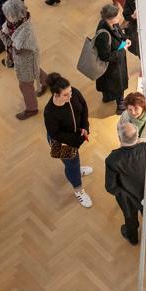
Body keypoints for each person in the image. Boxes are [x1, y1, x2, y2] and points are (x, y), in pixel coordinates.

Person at [105, 121, 146, 245]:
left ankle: (133, 239)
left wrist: (125, 194)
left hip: (128, 199)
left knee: (130, 219)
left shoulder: (112, 159)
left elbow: (110, 187)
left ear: (119, 137)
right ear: (137, 136)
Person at [43, 72, 93, 208]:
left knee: (74, 160)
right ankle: (78, 189)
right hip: (62, 142)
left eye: (70, 92)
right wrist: (77, 140)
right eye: (66, 95)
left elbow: (84, 107)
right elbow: (55, 134)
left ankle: (77, 170)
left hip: (76, 136)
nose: (70, 96)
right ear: (56, 95)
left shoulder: (73, 93)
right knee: (71, 164)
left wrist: (85, 126)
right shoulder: (50, 112)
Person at [0, 0, 48, 120]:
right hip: (26, 59)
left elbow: (17, 48)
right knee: (35, 69)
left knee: (25, 84)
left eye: (7, 14)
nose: (5, 17)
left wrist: (9, 42)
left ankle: (32, 108)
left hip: (26, 58)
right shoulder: (17, 22)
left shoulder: (26, 31)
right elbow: (7, 32)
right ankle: (48, 82)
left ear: (14, 16)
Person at [94, 4, 129, 114]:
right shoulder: (103, 35)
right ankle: (120, 106)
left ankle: (108, 97)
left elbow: (119, 33)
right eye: (117, 16)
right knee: (118, 84)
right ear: (110, 18)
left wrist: (124, 39)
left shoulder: (112, 24)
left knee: (110, 83)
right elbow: (105, 56)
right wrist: (123, 49)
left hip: (115, 63)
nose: (119, 18)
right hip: (112, 66)